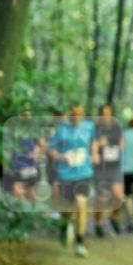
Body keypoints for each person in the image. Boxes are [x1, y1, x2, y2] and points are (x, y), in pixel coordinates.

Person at [48, 106, 98, 257]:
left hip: (84, 172)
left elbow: (93, 142)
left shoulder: (89, 127)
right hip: (66, 174)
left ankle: (80, 242)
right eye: (73, 114)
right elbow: (51, 148)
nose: (75, 117)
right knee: (68, 210)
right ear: (70, 115)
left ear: (83, 115)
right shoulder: (62, 129)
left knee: (81, 204)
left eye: (78, 114)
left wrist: (95, 153)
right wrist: (58, 156)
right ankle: (64, 225)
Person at [93, 103, 125, 237]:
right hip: (101, 168)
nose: (106, 117)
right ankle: (98, 223)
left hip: (115, 166)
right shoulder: (95, 128)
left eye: (108, 114)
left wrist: (119, 147)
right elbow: (92, 144)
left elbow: (122, 142)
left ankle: (114, 216)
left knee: (118, 196)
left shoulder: (116, 127)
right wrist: (97, 149)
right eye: (104, 114)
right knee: (101, 197)